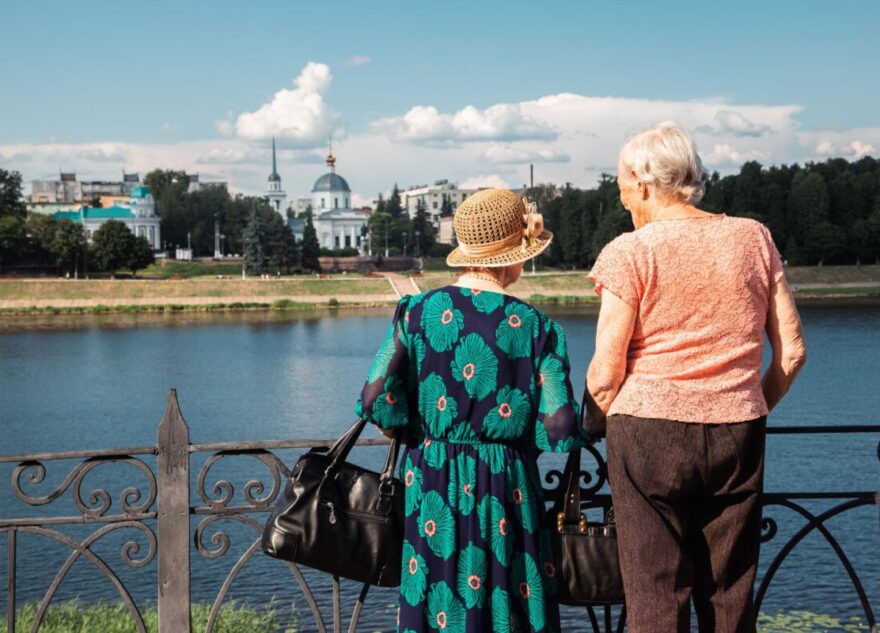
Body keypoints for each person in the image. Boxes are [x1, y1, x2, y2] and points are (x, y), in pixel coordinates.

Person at [585, 122, 807, 633]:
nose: (622, 201)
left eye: (621, 187)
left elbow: (604, 375)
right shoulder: (753, 237)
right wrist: (744, 403)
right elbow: (792, 353)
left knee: (655, 595)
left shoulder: (629, 252)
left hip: (647, 432)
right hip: (738, 431)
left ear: (642, 182)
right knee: (730, 595)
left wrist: (593, 423)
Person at [357, 188, 588, 633]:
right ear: (511, 256)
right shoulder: (538, 327)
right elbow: (559, 426)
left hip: (433, 481)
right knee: (509, 603)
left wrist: (417, 432)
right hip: (507, 486)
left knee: (437, 601)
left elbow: (375, 397)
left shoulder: (415, 313)